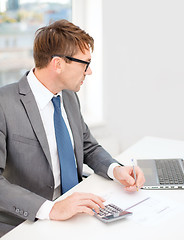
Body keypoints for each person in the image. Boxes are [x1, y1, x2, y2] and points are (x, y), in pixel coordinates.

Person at [0, 19, 145, 234]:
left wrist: (116, 169)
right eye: (84, 64)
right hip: (26, 222)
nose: (89, 72)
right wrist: (52, 209)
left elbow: (87, 146)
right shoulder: (4, 104)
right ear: (58, 64)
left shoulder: (68, 96)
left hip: (75, 211)